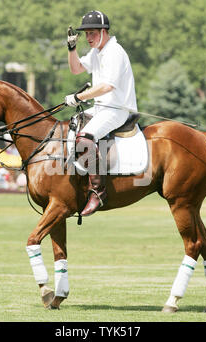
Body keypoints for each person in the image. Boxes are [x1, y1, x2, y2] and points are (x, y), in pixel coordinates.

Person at [65, 10, 138, 216]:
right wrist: (72, 48)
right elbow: (76, 69)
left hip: (117, 109)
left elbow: (107, 86)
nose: (88, 38)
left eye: (92, 33)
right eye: (86, 34)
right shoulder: (98, 52)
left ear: (104, 31)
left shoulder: (114, 52)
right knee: (72, 124)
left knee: (85, 138)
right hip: (101, 107)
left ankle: (98, 191)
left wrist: (80, 97)